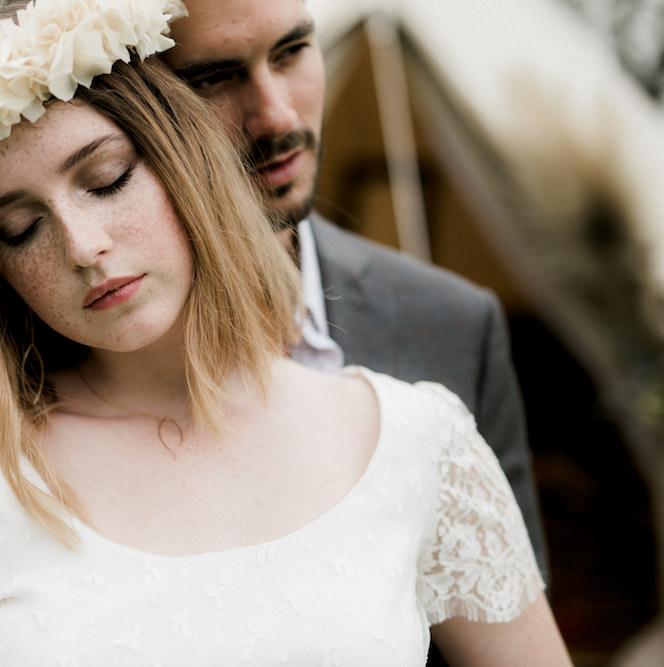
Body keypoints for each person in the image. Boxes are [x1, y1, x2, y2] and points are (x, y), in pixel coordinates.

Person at [0, 0, 572, 664]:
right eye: (20, 228)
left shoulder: (417, 437)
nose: (82, 245)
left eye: (108, 179)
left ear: (186, 158)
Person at [160, 0, 550, 579]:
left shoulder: (456, 326)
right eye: (214, 77)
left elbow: (508, 597)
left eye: (291, 51)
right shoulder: (91, 352)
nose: (276, 116)